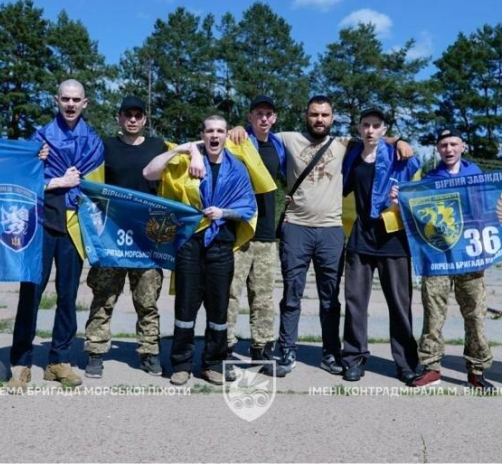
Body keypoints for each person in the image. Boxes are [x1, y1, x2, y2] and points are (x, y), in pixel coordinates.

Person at [228, 95, 413, 377]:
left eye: (325, 115)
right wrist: (238, 129)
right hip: (296, 228)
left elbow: (374, 138)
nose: (319, 119)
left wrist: (398, 141)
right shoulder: (288, 139)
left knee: (331, 298)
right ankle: (287, 349)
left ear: (332, 118)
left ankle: (330, 352)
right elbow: (260, 132)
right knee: (292, 295)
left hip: (331, 231)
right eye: (314, 114)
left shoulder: (343, 144)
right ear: (307, 115)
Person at [143, 115, 257, 386]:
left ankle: (213, 364)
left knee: (218, 310)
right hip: (189, 244)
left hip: (220, 245)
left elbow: (248, 208)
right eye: (209, 131)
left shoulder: (238, 168)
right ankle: (181, 364)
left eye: (220, 131)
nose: (214, 136)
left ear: (227, 135)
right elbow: (149, 173)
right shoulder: (185, 163)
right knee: (185, 306)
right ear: (202, 135)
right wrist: (182, 149)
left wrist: (223, 212)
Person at [7, 79, 104, 390]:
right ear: (56, 100)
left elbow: (97, 184)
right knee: (30, 295)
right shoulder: (40, 139)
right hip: (41, 224)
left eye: (77, 99)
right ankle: (20, 362)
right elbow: (24, 180)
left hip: (74, 225)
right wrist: (56, 182)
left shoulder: (94, 142)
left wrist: (72, 181)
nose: (71, 104)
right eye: (66, 99)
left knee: (68, 295)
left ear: (85, 103)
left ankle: (58, 360)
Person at [83, 95, 169, 377]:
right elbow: (83, 166)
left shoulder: (159, 146)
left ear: (144, 120)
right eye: (127, 114)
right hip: (112, 236)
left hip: (147, 239)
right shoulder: (105, 146)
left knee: (147, 301)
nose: (132, 119)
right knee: (104, 297)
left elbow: (191, 153)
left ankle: (149, 352)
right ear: (119, 118)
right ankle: (95, 351)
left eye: (137, 115)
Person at [339, 108, 422, 384]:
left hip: (394, 240)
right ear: (359, 128)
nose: (371, 130)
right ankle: (353, 358)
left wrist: (404, 197)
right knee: (355, 302)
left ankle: (406, 363)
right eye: (366, 125)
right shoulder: (352, 156)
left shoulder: (402, 156)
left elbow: (422, 191)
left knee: (400, 305)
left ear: (385, 130)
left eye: (376, 126)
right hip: (361, 238)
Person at [408, 128, 494, 390]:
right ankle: (431, 366)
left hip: (470, 255)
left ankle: (477, 369)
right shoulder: (430, 178)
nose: (448, 149)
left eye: (453, 144)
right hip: (438, 258)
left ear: (463, 146)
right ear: (438, 149)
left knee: (475, 314)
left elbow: (486, 210)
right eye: (443, 145)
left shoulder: (476, 175)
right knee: (433, 313)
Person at [225, 96, 287, 377]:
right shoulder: (237, 141)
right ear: (250, 117)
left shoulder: (278, 145)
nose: (264, 118)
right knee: (230, 295)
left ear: (274, 119)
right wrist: (233, 129)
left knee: (263, 298)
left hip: (265, 235)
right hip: (238, 231)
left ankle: (261, 351)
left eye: (268, 114)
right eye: (258, 114)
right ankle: (223, 348)